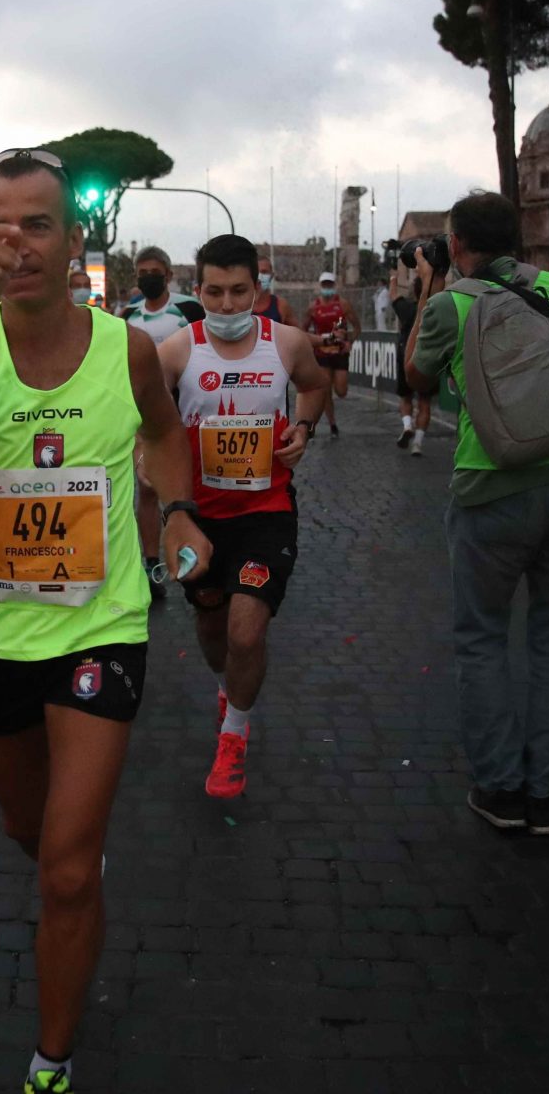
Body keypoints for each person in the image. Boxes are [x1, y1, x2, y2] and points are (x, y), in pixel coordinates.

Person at [0, 148, 211, 1094]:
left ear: (74, 243)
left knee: (65, 875)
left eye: (35, 224)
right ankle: (71, 850)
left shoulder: (129, 349)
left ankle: (50, 1062)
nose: (13, 241)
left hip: (102, 624)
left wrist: (178, 507)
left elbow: (159, 431)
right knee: (33, 833)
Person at [404, 191, 549, 838]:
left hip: (494, 485)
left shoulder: (450, 303)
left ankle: (500, 788)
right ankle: (543, 794)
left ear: (456, 245)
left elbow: (418, 377)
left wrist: (430, 284)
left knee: (484, 639)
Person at [158, 234, 327, 798]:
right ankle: (229, 691)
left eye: (238, 292)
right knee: (211, 628)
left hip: (265, 511)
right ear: (197, 289)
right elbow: (149, 424)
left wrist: (302, 428)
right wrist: (145, 461)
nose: (227, 305)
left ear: (258, 290)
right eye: (214, 292)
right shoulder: (178, 351)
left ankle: (234, 735)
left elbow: (315, 385)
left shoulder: (288, 343)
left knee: (245, 630)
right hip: (197, 519)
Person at [120, 247, 203, 602]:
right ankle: (152, 563)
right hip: (142, 415)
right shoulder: (126, 315)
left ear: (168, 275)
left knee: (192, 483)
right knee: (148, 488)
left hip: (186, 411)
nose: (148, 277)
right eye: (142, 272)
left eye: (155, 271)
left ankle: (195, 547)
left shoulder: (188, 310)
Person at [302, 272, 360, 436]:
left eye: (330, 285)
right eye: (324, 285)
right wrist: (311, 344)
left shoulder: (343, 305)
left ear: (334, 286)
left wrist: (349, 341)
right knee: (325, 390)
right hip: (322, 353)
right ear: (320, 286)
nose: (327, 288)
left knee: (341, 391)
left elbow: (357, 328)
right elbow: (303, 330)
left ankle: (332, 417)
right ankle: (332, 424)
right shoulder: (313, 307)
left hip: (340, 352)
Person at [391, 272, 433, 455]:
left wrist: (393, 277)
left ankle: (407, 426)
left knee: (405, 397)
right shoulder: (435, 309)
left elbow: (393, 295)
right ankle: (418, 442)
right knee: (425, 401)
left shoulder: (406, 308)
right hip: (428, 355)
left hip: (406, 355)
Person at [253, 251, 292, 325]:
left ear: (271, 276)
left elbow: (298, 333)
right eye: (256, 272)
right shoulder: (240, 306)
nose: (259, 277)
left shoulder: (281, 305)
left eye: (264, 272)